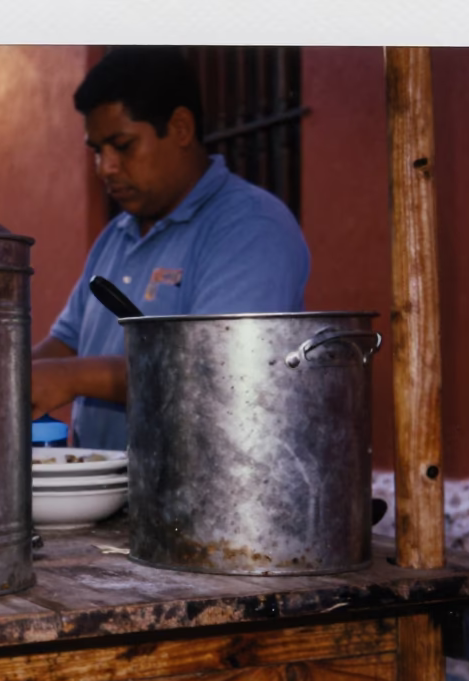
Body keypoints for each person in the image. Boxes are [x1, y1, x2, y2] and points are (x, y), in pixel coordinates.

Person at [32, 46, 310, 451]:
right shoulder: (116, 236)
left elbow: (218, 371)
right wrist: (8, 375)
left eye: (122, 145)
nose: (106, 167)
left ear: (180, 128)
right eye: (97, 150)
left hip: (203, 499)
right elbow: (67, 342)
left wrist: (69, 377)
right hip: (108, 499)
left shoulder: (250, 226)